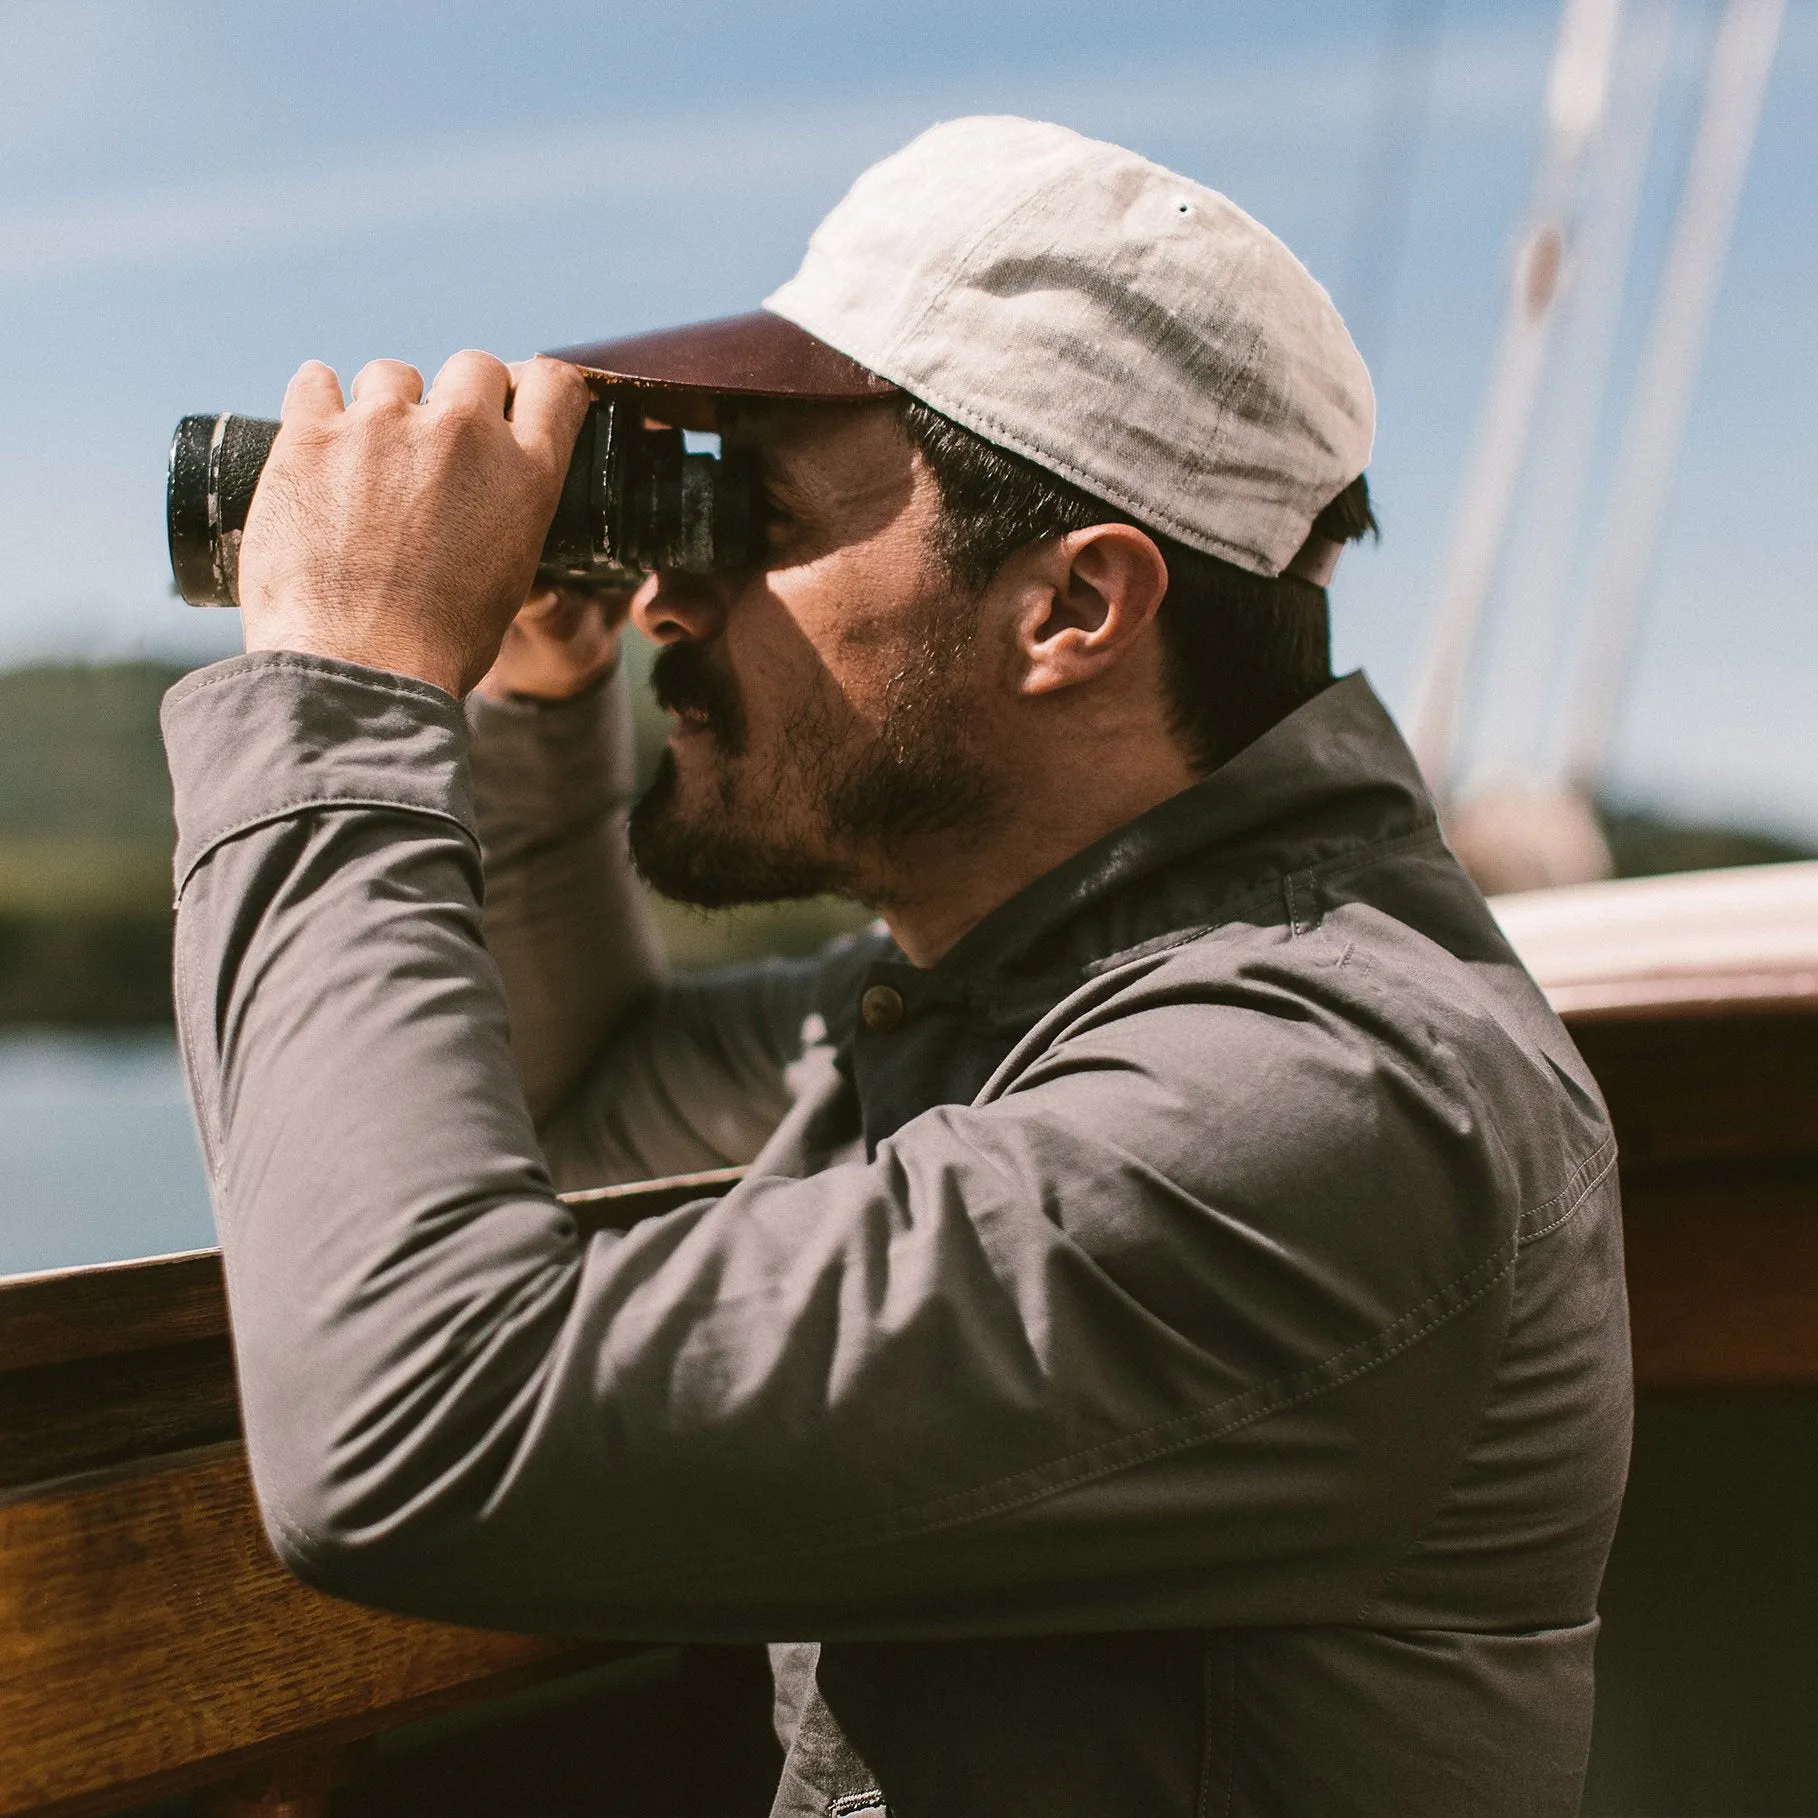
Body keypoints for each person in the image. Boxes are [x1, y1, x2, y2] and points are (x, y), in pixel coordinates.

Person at [161, 117, 1631, 1817]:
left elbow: (414, 1430)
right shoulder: (1022, 1004)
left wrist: (349, 688)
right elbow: (578, 1104)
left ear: (1070, 607)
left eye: (752, 517)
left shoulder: (1325, 1101)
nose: (662, 598)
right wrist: (527, 707)